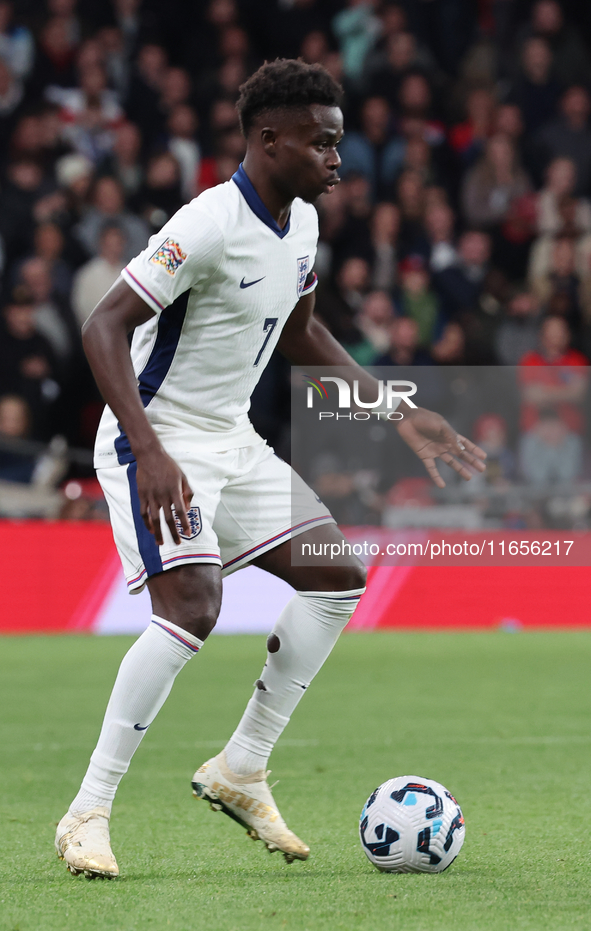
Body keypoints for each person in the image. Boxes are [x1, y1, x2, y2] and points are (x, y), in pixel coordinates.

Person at [55, 59, 485, 880]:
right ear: (268, 138)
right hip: (156, 437)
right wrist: (148, 449)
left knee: (337, 575)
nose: (336, 159)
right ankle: (89, 811)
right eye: (321, 143)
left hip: (232, 437)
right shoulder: (206, 222)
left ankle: (240, 767)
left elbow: (301, 336)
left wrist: (398, 410)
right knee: (193, 605)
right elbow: (103, 327)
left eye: (338, 142)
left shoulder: (302, 226)